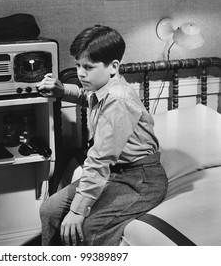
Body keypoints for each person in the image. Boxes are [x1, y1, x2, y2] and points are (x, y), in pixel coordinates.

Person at [36, 25, 168, 246]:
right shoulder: (102, 88)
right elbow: (87, 97)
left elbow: (100, 160)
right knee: (49, 210)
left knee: (89, 228)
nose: (80, 73)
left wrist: (78, 211)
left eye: (88, 67)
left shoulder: (118, 100)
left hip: (141, 179)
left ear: (113, 67)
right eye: (78, 65)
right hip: (115, 174)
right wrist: (62, 91)